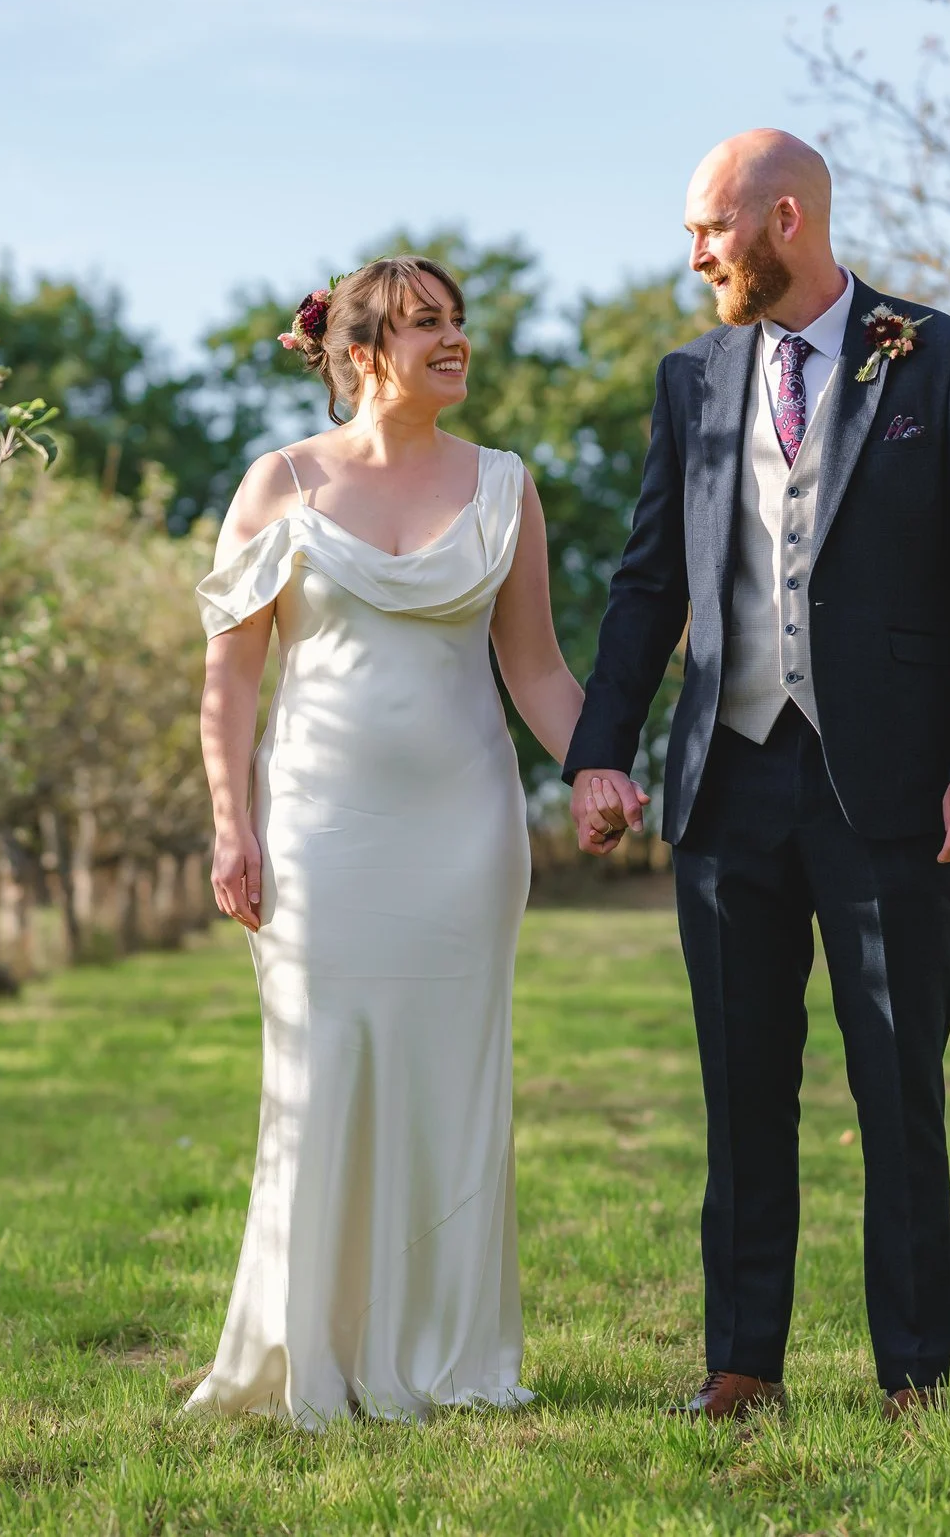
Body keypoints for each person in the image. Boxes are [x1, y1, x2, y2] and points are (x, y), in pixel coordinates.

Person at [566, 129, 950, 1421]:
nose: (696, 254)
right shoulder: (692, 377)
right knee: (741, 1089)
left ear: (784, 220)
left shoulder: (944, 357)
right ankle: (743, 1362)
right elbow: (651, 579)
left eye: (708, 230)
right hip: (727, 786)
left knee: (898, 1089)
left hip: (892, 789)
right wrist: (601, 742)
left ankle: (912, 1375)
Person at [186, 255, 601, 1428]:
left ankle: (447, 1355)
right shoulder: (279, 484)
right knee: (319, 1079)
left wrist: (598, 767)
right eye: (422, 324)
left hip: (466, 834)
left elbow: (535, 667)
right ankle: (305, 1352)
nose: (451, 338)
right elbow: (228, 680)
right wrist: (232, 822)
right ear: (359, 352)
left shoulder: (504, 485)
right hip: (317, 832)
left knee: (447, 1082)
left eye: (456, 319)